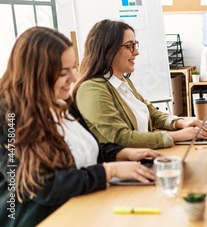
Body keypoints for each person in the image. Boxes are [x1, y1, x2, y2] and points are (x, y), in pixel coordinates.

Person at [0, 27, 160, 227]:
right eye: (63, 73)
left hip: (85, 205)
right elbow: (41, 186)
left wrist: (121, 153)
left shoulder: (61, 101)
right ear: (36, 74)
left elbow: (84, 148)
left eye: (74, 68)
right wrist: (108, 171)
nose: (74, 78)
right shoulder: (9, 117)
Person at [73, 19, 207, 149]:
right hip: (121, 166)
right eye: (129, 46)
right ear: (108, 51)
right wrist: (177, 136)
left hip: (142, 156)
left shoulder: (123, 82)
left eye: (135, 45)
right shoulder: (91, 90)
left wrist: (181, 122)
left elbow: (151, 113)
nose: (136, 52)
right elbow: (121, 138)